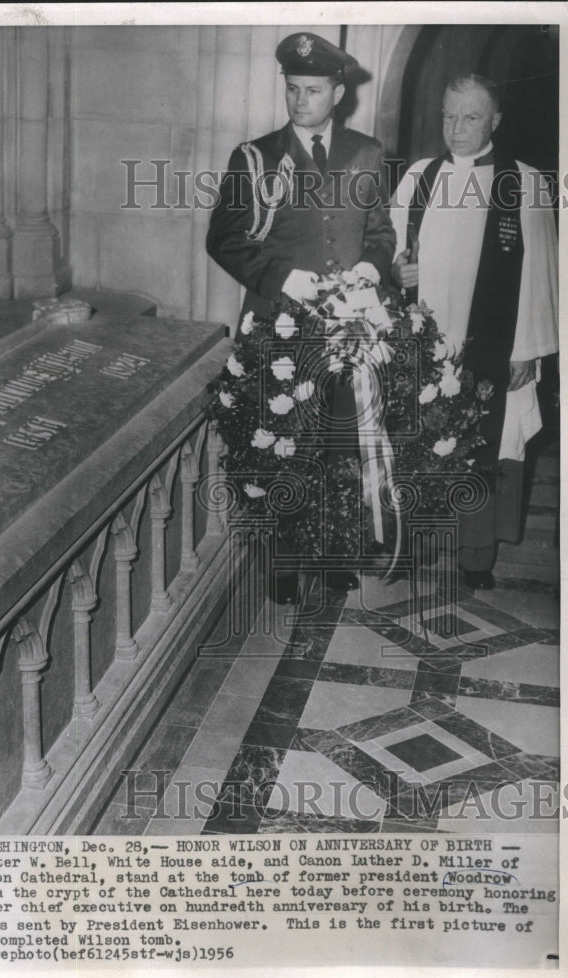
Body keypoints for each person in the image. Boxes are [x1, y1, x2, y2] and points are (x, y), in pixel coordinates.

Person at [207, 31, 396, 603]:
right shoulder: (257, 157)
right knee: (286, 442)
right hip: (281, 325)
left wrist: (369, 266)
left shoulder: (367, 153)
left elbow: (382, 234)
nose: (299, 101)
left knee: (341, 442)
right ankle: (284, 562)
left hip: (347, 328)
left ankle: (338, 553)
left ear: (337, 92)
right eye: (293, 90)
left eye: (312, 91)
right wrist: (280, 278)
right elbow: (223, 238)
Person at [390, 74, 558, 590]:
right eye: (448, 116)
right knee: (418, 439)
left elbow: (541, 271)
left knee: (486, 443)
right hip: (427, 341)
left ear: (495, 122)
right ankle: (413, 542)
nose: (456, 128)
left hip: (493, 343)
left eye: (471, 118)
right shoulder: (418, 175)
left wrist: (528, 350)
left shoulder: (524, 182)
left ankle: (476, 556)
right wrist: (397, 268)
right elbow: (389, 250)